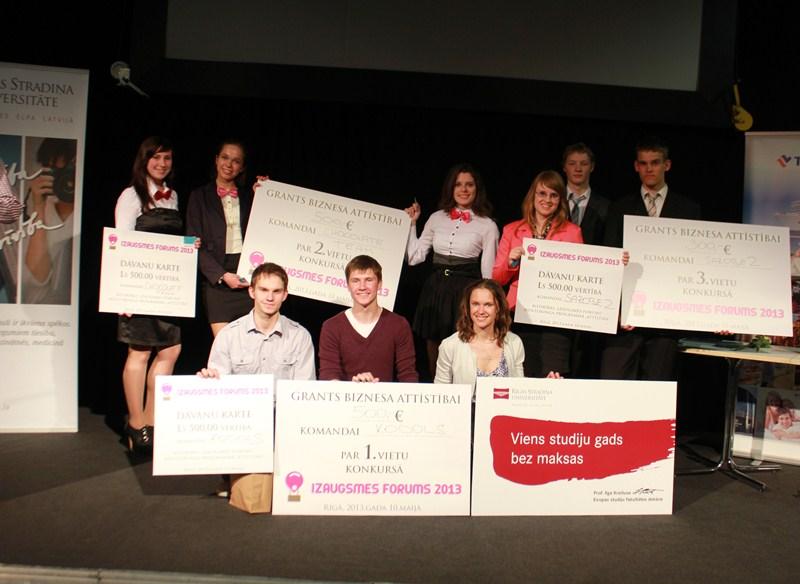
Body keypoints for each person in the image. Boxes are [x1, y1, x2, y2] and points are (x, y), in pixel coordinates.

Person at [600, 137, 701, 381]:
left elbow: (697, 263)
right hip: (626, 319)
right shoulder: (619, 207)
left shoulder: (688, 210)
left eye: (655, 163)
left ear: (667, 165)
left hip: (666, 320)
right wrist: (617, 309)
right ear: (636, 166)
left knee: (657, 390)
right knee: (613, 384)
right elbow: (608, 257)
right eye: (643, 163)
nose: (649, 169)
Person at [115, 136, 189, 453]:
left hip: (168, 289)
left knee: (170, 351)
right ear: (144, 161)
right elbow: (120, 244)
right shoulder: (131, 196)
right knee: (140, 353)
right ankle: (136, 423)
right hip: (140, 286)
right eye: (155, 157)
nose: (161, 163)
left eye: (167, 158)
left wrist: (189, 246)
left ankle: (152, 421)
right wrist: (123, 293)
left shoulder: (173, 196)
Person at [405, 163, 499, 377]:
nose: (463, 189)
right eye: (458, 184)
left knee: (464, 349)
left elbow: (488, 274)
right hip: (436, 288)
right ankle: (437, 391)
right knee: (434, 349)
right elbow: (414, 257)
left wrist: (487, 304)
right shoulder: (436, 218)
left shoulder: (487, 225)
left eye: (469, 185)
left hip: (465, 291)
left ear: (477, 189)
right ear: (451, 188)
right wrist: (411, 225)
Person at [492, 170, 583, 377]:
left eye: (553, 195)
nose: (547, 200)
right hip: (520, 313)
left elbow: (580, 275)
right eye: (542, 193)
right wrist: (511, 262)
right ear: (532, 196)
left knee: (553, 376)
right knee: (523, 374)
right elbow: (496, 278)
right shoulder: (512, 230)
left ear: (560, 200)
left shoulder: (572, 232)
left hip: (556, 315)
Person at [198, 262, 315, 380]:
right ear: (252, 292)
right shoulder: (228, 335)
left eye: (276, 291)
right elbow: (220, 386)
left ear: (284, 295)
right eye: (264, 290)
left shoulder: (299, 337)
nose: (270, 298)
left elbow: (304, 387)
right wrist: (210, 381)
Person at [186, 139, 254, 337]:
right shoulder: (199, 196)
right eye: (225, 157)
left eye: (236, 161)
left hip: (247, 276)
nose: (229, 164)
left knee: (253, 344)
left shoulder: (251, 196)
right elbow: (193, 243)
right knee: (225, 345)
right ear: (216, 160)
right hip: (216, 280)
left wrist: (267, 191)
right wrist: (222, 275)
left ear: (242, 167)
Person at [319, 255, 418, 382]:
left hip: (385, 395)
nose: (362, 286)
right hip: (345, 395)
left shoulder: (399, 324)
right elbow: (328, 375)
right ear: (348, 286)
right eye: (355, 281)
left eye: (369, 280)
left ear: (379, 284)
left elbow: (408, 375)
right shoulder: (331, 326)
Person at [434, 279, 525, 391]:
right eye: (475, 304)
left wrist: (543, 386)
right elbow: (440, 392)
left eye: (488, 305)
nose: (481, 311)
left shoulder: (514, 343)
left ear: (498, 308)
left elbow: (519, 389)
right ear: (468, 307)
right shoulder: (450, 345)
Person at [22, 137, 76, 305]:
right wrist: (39, 205)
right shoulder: (43, 212)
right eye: (57, 171)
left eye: (71, 171)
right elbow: (38, 276)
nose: (68, 181)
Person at [562, 143, 609, 246]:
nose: (578, 169)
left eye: (584, 164)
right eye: (572, 163)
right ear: (564, 167)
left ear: (592, 167)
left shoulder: (605, 207)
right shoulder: (553, 202)